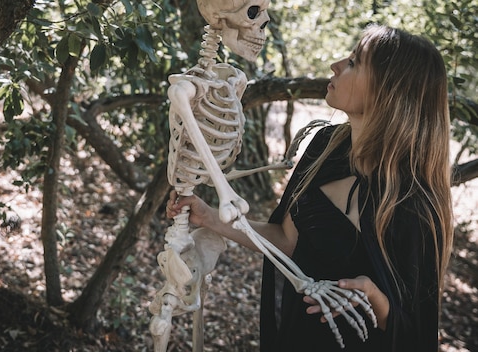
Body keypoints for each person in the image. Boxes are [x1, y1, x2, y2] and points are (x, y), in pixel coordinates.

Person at [165, 24, 454, 352]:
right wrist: (210, 218)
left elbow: (417, 336)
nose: (336, 65)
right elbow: (288, 241)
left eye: (355, 62)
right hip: (295, 337)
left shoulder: (413, 203)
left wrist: (376, 299)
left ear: (388, 90)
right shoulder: (325, 147)